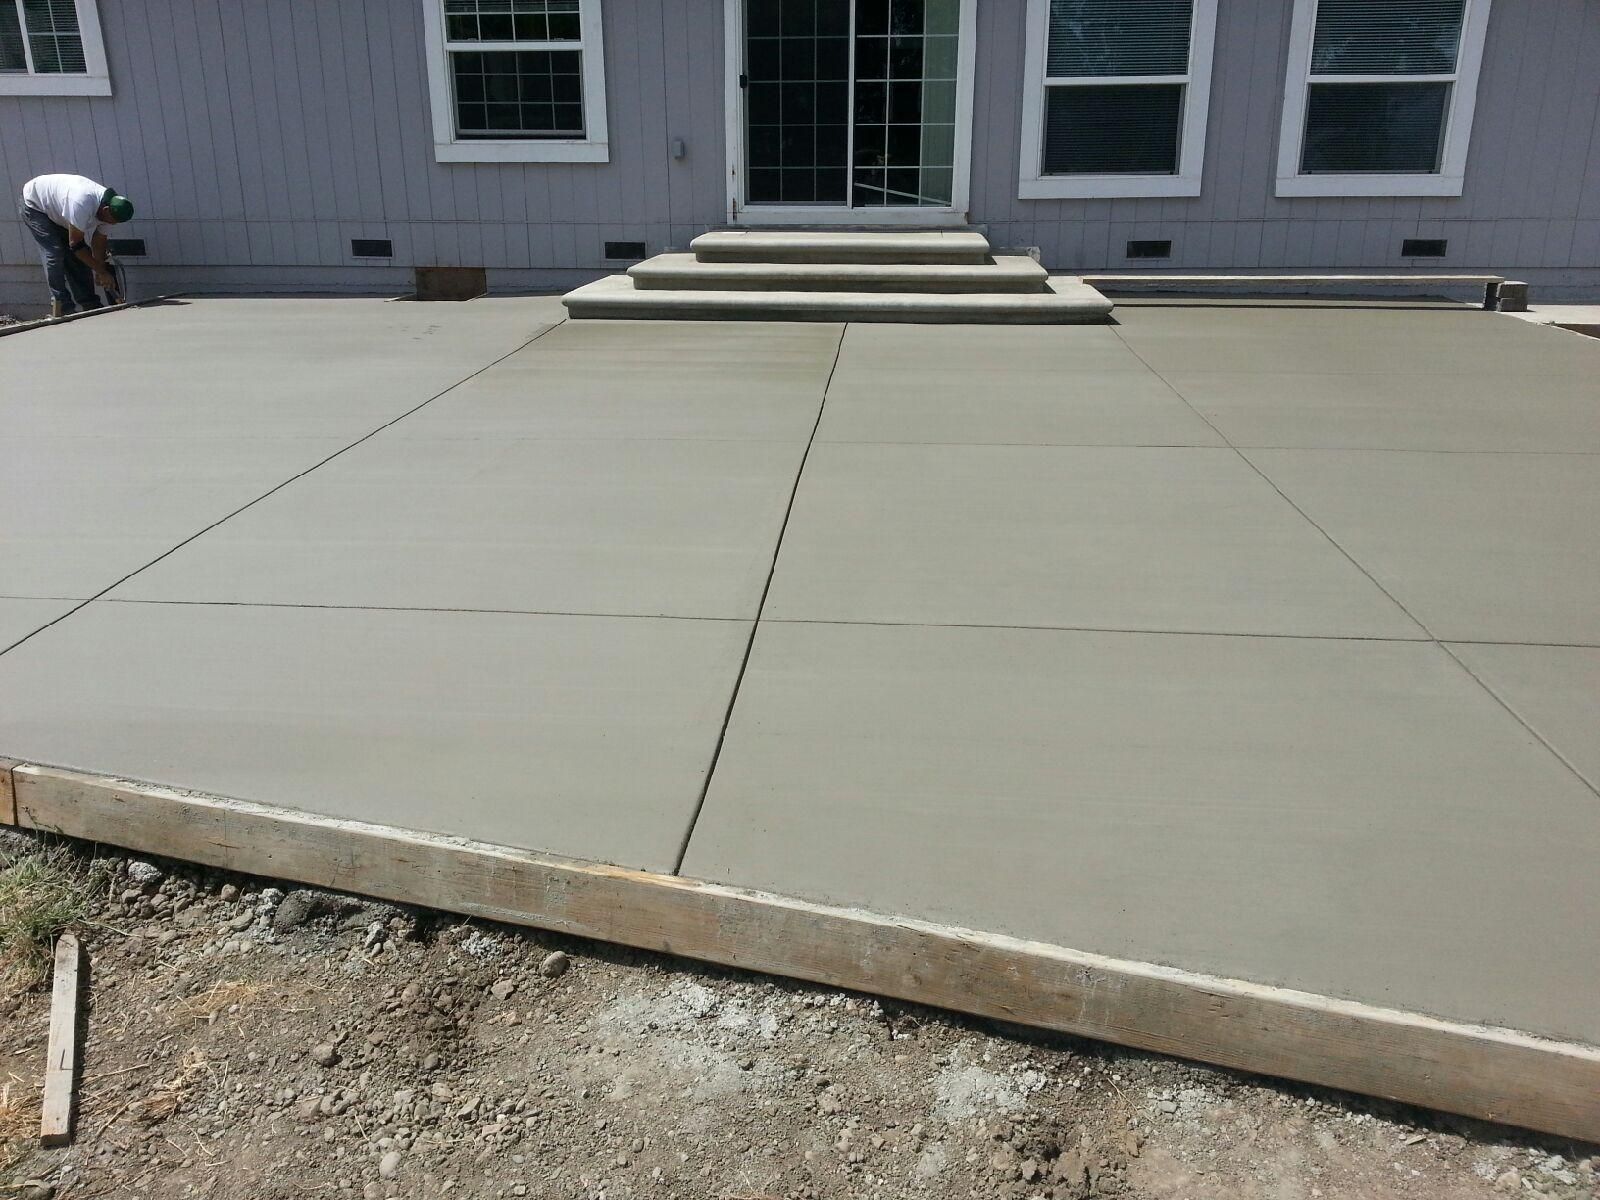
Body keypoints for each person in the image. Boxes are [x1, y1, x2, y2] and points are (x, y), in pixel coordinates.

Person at [18, 173, 135, 317]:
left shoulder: (113, 211)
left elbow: (99, 241)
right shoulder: (81, 202)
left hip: (59, 209)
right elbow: (75, 245)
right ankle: (62, 306)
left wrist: (100, 268)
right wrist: (102, 272)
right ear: (105, 210)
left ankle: (90, 304)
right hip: (35, 205)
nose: (112, 224)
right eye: (111, 221)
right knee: (55, 252)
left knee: (79, 256)